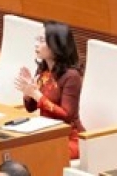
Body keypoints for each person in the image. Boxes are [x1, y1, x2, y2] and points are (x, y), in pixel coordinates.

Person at [14, 21, 84, 159]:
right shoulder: (43, 69)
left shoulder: (71, 76)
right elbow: (31, 107)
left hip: (69, 138)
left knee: (38, 155)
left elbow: (66, 115)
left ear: (56, 45)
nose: (36, 44)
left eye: (41, 40)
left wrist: (36, 94)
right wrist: (28, 93)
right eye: (36, 39)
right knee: (18, 148)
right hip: (47, 132)